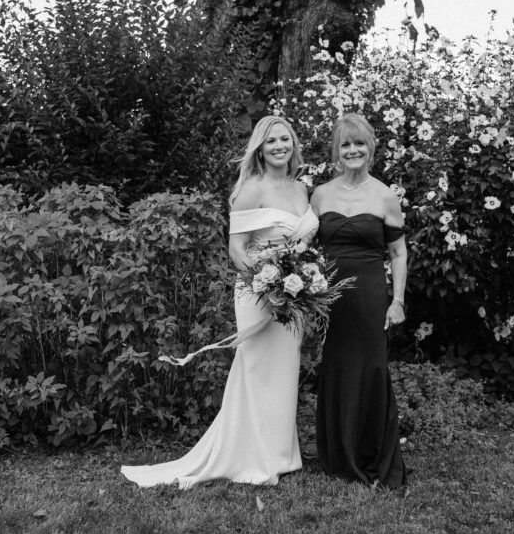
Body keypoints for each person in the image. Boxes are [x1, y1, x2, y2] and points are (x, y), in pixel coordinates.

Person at [120, 116, 318, 489]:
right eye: (271, 140)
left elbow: (303, 245)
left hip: (295, 295)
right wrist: (265, 285)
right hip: (258, 292)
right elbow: (236, 248)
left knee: (285, 372)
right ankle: (252, 457)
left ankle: (281, 455)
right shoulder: (250, 190)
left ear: (294, 144)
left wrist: (299, 286)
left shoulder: (300, 188)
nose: (280, 146)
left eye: (285, 139)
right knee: (257, 371)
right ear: (260, 147)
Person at [309, 112, 407, 489]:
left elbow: (398, 254)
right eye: (345, 144)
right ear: (337, 150)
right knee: (337, 370)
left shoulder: (385, 195)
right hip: (331, 298)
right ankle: (337, 455)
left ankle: (370, 456)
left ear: (371, 149)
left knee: (371, 371)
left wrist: (396, 301)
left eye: (359, 144)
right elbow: (302, 248)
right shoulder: (320, 194)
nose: (352, 150)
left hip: (369, 296)